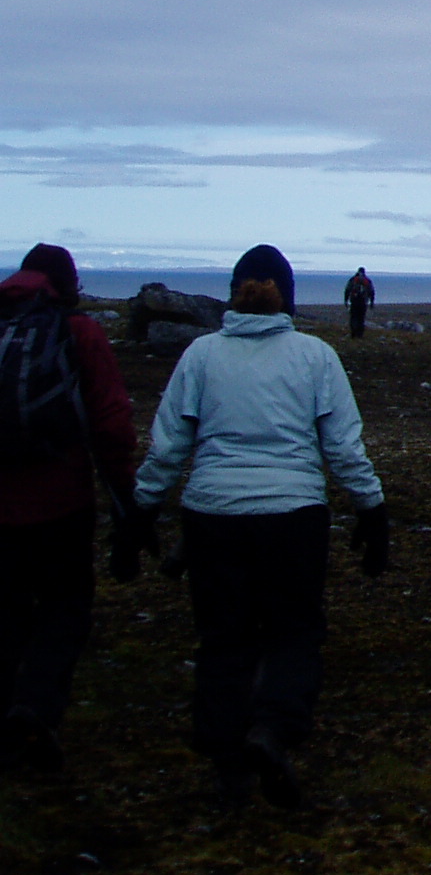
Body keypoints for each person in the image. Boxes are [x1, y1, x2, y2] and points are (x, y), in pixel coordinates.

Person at [129, 245, 389, 808]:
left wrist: (143, 507)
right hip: (294, 516)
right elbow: (343, 446)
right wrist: (371, 507)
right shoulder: (315, 357)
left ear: (233, 295)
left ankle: (228, 764)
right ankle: (272, 729)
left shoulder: (202, 355)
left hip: (212, 516)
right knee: (294, 630)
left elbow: (169, 444)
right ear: (287, 299)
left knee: (224, 636)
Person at [1, 244, 141, 773]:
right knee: (65, 608)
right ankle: (34, 709)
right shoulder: (79, 332)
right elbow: (110, 422)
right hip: (62, 500)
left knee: (8, 609)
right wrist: (126, 497)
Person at [343, 267, 374, 339]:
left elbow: (347, 290)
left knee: (353, 317)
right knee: (361, 319)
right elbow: (371, 292)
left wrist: (346, 300)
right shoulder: (367, 281)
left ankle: (353, 334)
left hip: (354, 302)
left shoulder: (353, 280)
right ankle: (360, 335)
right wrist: (371, 302)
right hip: (363, 302)